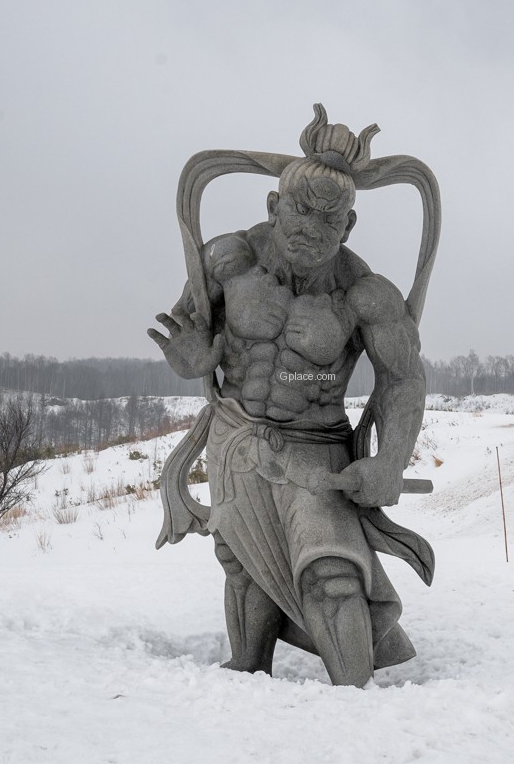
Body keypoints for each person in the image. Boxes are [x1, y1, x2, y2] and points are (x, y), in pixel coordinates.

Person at [148, 108, 432, 687]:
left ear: (348, 226)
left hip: (316, 452)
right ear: (274, 207)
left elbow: (403, 379)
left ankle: (355, 697)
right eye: (300, 209)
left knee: (331, 573)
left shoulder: (366, 293)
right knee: (244, 568)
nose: (311, 226)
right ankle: (248, 672)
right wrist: (191, 357)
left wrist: (389, 461)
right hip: (235, 441)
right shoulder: (229, 260)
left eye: (329, 218)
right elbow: (191, 339)